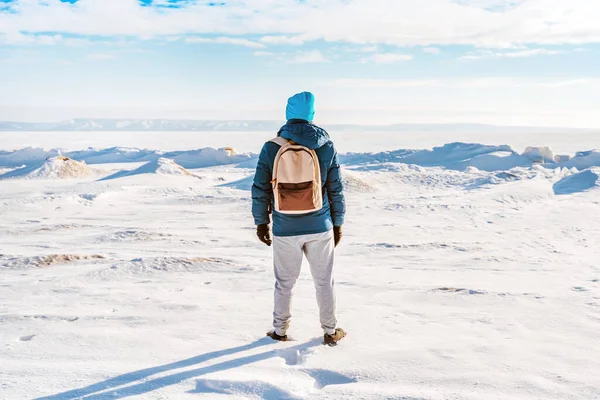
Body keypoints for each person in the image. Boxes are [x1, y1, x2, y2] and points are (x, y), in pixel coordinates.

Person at [252, 91, 346, 346]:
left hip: (285, 227)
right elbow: (335, 188)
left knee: (284, 282)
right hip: (320, 225)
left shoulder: (272, 147)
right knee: (324, 281)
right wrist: (337, 223)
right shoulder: (326, 145)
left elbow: (260, 187)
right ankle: (330, 331)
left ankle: (279, 331)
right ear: (312, 115)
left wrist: (262, 222)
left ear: (288, 115)